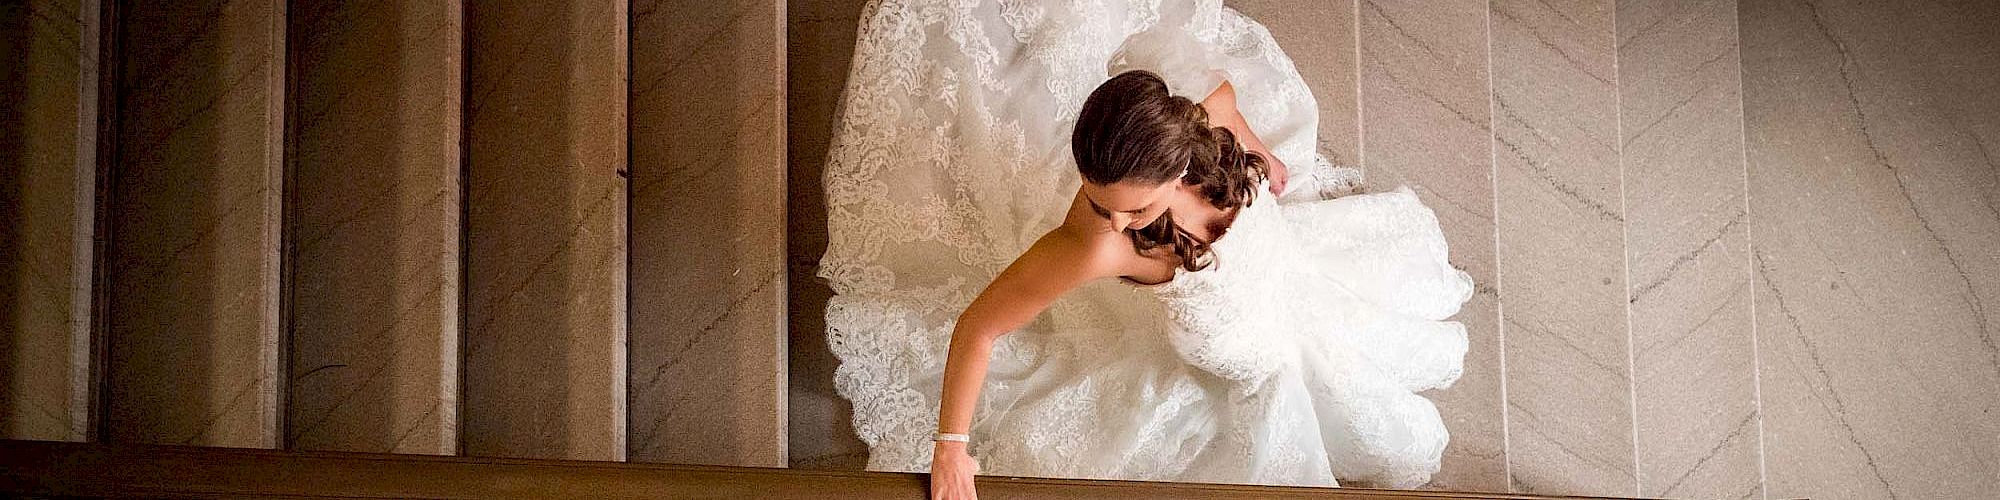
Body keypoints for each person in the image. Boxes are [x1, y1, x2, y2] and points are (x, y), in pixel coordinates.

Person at [816, 2, 1475, 498]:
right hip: (1223, 338)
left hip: (1281, 269)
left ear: (1181, 167)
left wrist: (1261, 153)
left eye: (1132, 205)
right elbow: (981, 326)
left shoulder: (1202, 124)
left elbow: (1225, 102)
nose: (1109, 219)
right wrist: (952, 446)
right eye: (1099, 197)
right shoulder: (1094, 244)